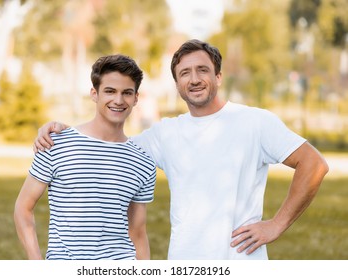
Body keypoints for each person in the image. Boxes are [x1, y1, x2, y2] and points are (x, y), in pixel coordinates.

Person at [33, 39, 329, 260]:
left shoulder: (255, 121)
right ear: (177, 84)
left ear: (218, 77)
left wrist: (276, 225)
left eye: (203, 70)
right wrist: (62, 130)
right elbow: (109, 146)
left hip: (241, 262)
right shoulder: (166, 133)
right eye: (185, 73)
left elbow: (313, 164)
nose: (195, 79)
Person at [14, 54, 156, 260]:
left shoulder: (142, 162)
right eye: (110, 91)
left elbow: (138, 232)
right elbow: (23, 208)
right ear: (94, 93)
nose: (118, 100)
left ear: (135, 98)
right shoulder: (56, 144)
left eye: (126, 93)